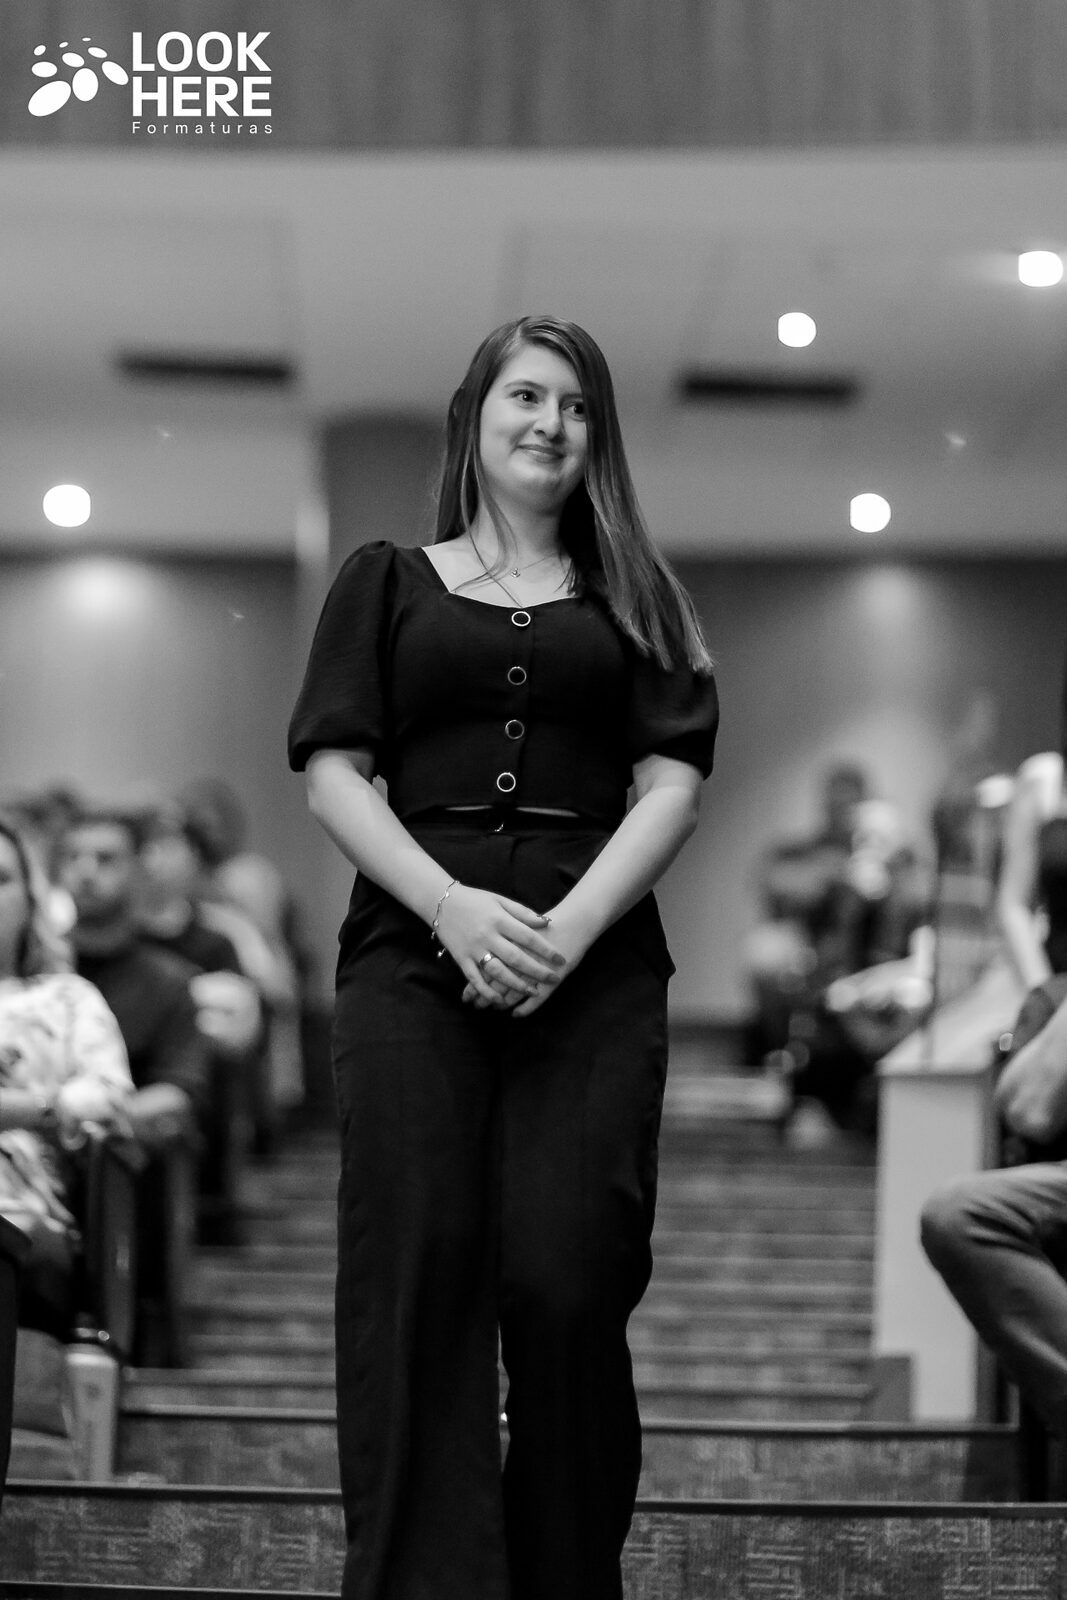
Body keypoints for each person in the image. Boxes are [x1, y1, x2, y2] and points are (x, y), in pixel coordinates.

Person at [287, 314, 718, 1600]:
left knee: (567, 1275)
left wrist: (560, 934)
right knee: (416, 1275)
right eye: (525, 396)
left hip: (593, 974)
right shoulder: (384, 580)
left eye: (576, 406)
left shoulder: (639, 596)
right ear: (473, 418)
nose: (550, 423)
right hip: (409, 960)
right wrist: (452, 908)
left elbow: (671, 786)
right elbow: (333, 774)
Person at [921, 658, 1067, 1433]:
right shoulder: (1045, 778)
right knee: (964, 1208)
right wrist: (1050, 999)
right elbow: (1012, 903)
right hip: (1055, 989)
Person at [0, 814, 134, 1331]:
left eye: (1, 879)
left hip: (21, 1209)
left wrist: (25, 1110)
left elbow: (109, 1097)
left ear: (32, 900)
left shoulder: (69, 999)